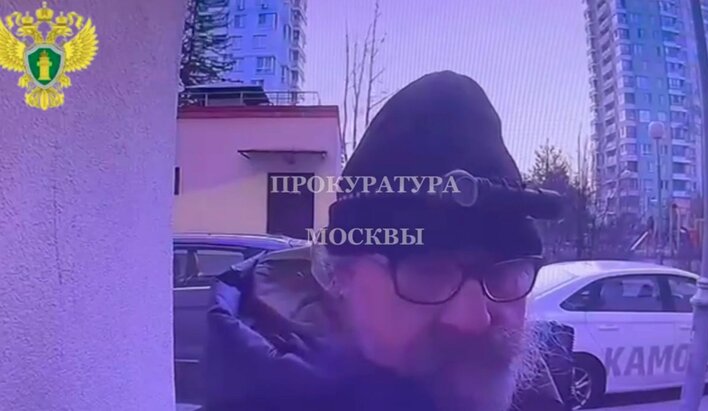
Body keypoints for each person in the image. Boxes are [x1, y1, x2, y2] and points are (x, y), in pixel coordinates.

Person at [205, 71, 568, 411]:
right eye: (428, 271)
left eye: (504, 273)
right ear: (339, 278)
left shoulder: (535, 397)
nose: (475, 319)